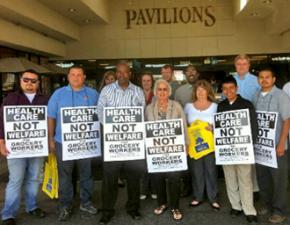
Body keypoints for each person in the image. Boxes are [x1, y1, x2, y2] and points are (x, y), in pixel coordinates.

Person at [47, 65, 99, 221]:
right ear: (68, 77)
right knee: (65, 176)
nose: (76, 78)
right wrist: (50, 138)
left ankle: (86, 202)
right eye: (73, 75)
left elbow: (101, 115)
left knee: (86, 174)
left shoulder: (93, 94)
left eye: (79, 75)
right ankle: (65, 205)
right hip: (63, 142)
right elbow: (51, 117)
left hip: (87, 143)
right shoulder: (58, 94)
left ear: (84, 77)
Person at [97, 61, 146, 224]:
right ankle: (107, 211)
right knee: (109, 179)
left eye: (125, 72)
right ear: (116, 73)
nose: (121, 75)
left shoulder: (138, 91)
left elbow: (142, 114)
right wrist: (114, 127)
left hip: (133, 144)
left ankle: (133, 208)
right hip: (113, 143)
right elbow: (100, 111)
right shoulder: (107, 90)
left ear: (130, 74)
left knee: (133, 179)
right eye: (119, 72)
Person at [0, 70, 48, 225]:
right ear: (20, 81)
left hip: (37, 147)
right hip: (16, 148)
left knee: (34, 178)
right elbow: (2, 121)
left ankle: (32, 206)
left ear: (38, 83)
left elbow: (50, 122)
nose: (29, 83)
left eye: (33, 81)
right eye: (26, 80)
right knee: (16, 180)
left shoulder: (44, 99)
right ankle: (8, 214)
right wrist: (1, 142)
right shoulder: (11, 98)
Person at [145, 79, 188, 221]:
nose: (162, 92)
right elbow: (145, 129)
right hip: (156, 150)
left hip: (174, 149)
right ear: (155, 92)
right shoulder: (149, 108)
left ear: (169, 92)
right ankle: (162, 203)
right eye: (159, 89)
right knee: (158, 178)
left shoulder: (176, 106)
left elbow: (183, 127)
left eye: (165, 89)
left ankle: (175, 206)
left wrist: (186, 144)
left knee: (174, 178)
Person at [217, 76, 258, 223]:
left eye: (231, 88)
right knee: (230, 179)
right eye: (225, 88)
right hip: (227, 150)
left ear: (237, 88)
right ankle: (236, 206)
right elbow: (220, 128)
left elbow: (254, 127)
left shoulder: (247, 104)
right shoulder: (220, 106)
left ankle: (249, 209)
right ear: (222, 90)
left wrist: (250, 145)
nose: (228, 91)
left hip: (243, 149)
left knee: (245, 180)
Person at [253, 68, 290, 224]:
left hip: (277, 146)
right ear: (258, 80)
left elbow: (287, 120)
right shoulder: (255, 96)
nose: (264, 80)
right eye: (261, 77)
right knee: (263, 178)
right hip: (260, 147)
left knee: (279, 180)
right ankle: (267, 204)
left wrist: (282, 143)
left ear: (274, 79)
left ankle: (280, 210)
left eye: (267, 77)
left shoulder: (281, 95)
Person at [184, 80, 220, 210]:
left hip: (210, 145)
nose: (200, 92)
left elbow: (221, 124)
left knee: (211, 171)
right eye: (198, 89)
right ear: (195, 92)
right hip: (195, 146)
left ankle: (213, 198)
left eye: (203, 89)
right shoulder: (188, 106)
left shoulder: (215, 106)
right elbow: (184, 124)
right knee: (196, 171)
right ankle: (198, 196)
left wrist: (213, 127)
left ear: (208, 91)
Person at [234, 54, 260, 198]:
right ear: (235, 66)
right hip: (236, 125)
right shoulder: (231, 81)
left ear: (249, 65)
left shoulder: (256, 81)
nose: (242, 66)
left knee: (252, 158)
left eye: (244, 64)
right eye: (239, 64)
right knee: (239, 157)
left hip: (251, 123)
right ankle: (241, 189)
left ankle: (254, 189)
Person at [175, 64, 200, 197]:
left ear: (197, 74)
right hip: (185, 130)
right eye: (188, 71)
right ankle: (187, 187)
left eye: (193, 70)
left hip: (202, 131)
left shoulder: (205, 87)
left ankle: (202, 188)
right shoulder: (179, 91)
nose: (191, 73)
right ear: (185, 74)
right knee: (187, 161)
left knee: (201, 160)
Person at [139, 71, 157, 200]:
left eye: (148, 80)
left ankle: (155, 189)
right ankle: (144, 190)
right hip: (140, 132)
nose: (146, 83)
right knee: (143, 163)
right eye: (144, 80)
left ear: (152, 82)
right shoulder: (136, 94)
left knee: (154, 160)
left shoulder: (157, 94)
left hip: (153, 132)